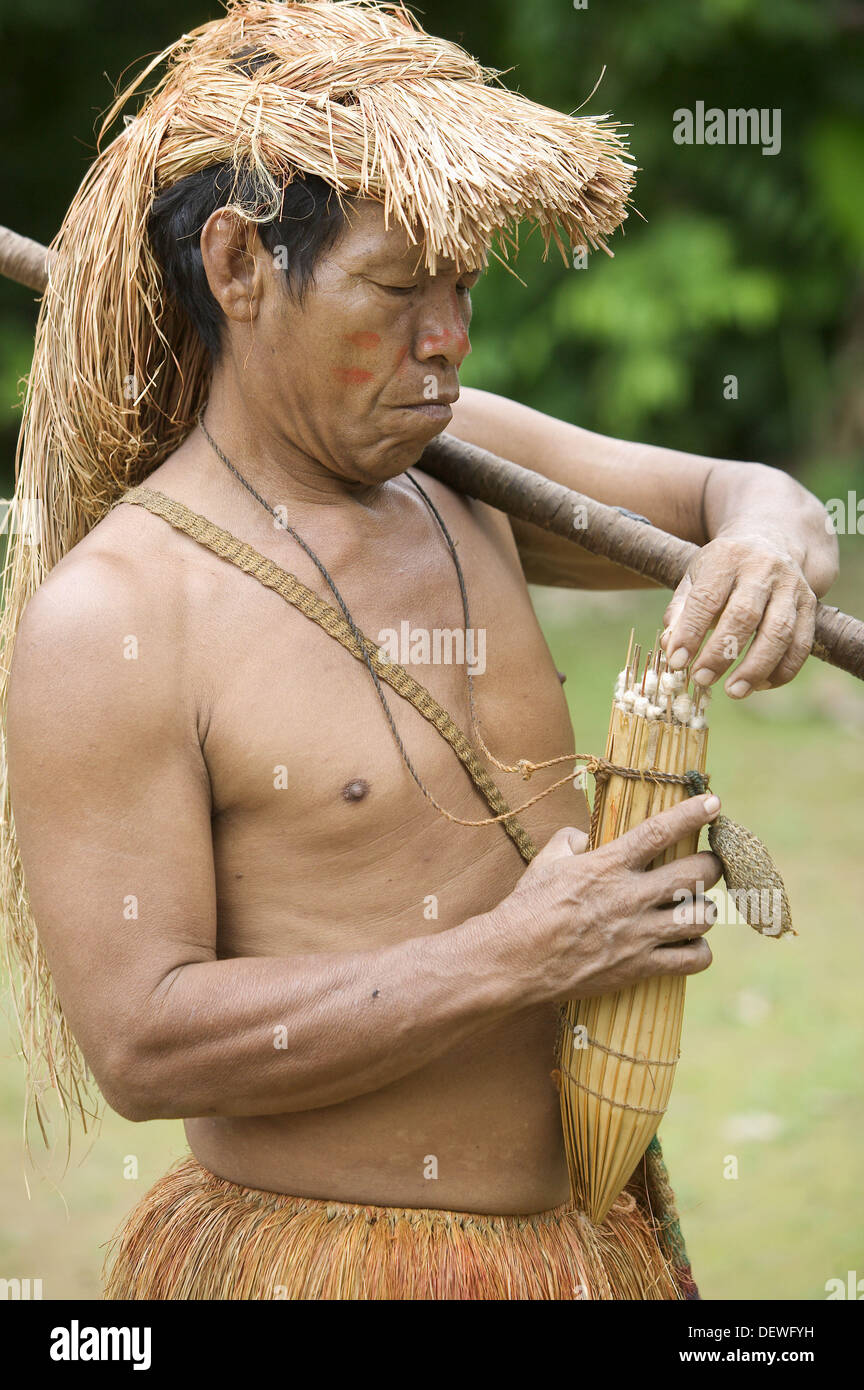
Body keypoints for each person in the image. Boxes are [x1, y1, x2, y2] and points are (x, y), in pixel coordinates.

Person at [1, 0, 836, 1300]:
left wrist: (777, 542)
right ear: (238, 267)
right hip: (328, 1265)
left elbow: (732, 491)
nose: (448, 336)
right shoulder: (119, 613)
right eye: (397, 288)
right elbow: (141, 1043)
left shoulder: (469, 465)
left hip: (595, 1243)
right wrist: (520, 954)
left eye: (460, 284)